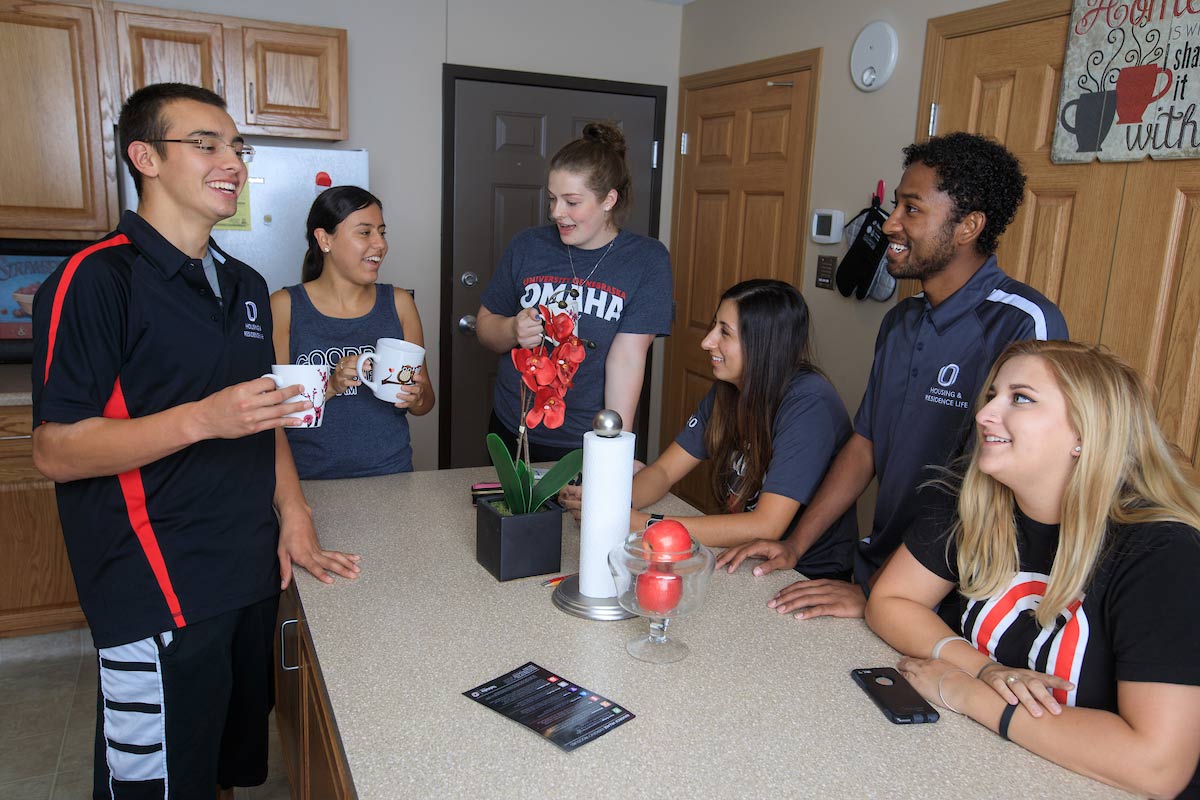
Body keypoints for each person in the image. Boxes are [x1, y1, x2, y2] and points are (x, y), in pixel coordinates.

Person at [30, 83, 360, 799]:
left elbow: (259, 412)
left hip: (245, 570)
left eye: (237, 147)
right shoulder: (94, 280)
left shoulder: (242, 283)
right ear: (144, 156)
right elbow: (55, 450)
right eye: (205, 144)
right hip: (155, 583)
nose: (233, 163)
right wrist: (200, 419)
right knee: (156, 783)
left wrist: (294, 515)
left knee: (221, 766)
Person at [718, 132, 1069, 619]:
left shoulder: (1023, 321)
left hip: (961, 595)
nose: (891, 225)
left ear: (968, 226)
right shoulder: (900, 322)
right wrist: (795, 545)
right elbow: (865, 446)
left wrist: (880, 593)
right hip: (882, 571)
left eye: (912, 209)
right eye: (896, 207)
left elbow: (1005, 486)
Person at [865, 340, 1200, 798]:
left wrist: (966, 693)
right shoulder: (971, 498)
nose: (985, 415)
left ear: (1086, 434)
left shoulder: (1163, 552)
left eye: (1020, 398)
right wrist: (983, 669)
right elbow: (891, 601)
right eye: (992, 396)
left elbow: (1158, 766)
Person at [560, 279, 857, 578]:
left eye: (724, 332)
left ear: (764, 344)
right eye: (714, 326)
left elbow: (766, 524)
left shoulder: (808, 403)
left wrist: (643, 524)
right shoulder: (728, 391)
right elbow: (663, 472)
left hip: (802, 575)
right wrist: (612, 504)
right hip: (742, 557)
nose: (707, 341)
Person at [477, 122, 673, 460]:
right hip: (513, 428)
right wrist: (512, 329)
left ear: (609, 199)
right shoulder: (527, 245)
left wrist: (613, 449)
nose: (556, 213)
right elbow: (485, 328)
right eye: (553, 199)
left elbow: (627, 359)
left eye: (571, 202)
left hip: (585, 440)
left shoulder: (646, 260)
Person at [270, 186, 434, 478]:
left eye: (382, 232)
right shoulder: (284, 307)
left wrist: (417, 396)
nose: (379, 244)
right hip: (308, 479)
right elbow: (275, 411)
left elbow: (425, 404)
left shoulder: (399, 304)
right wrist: (331, 385)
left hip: (391, 474)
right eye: (364, 232)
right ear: (324, 239)